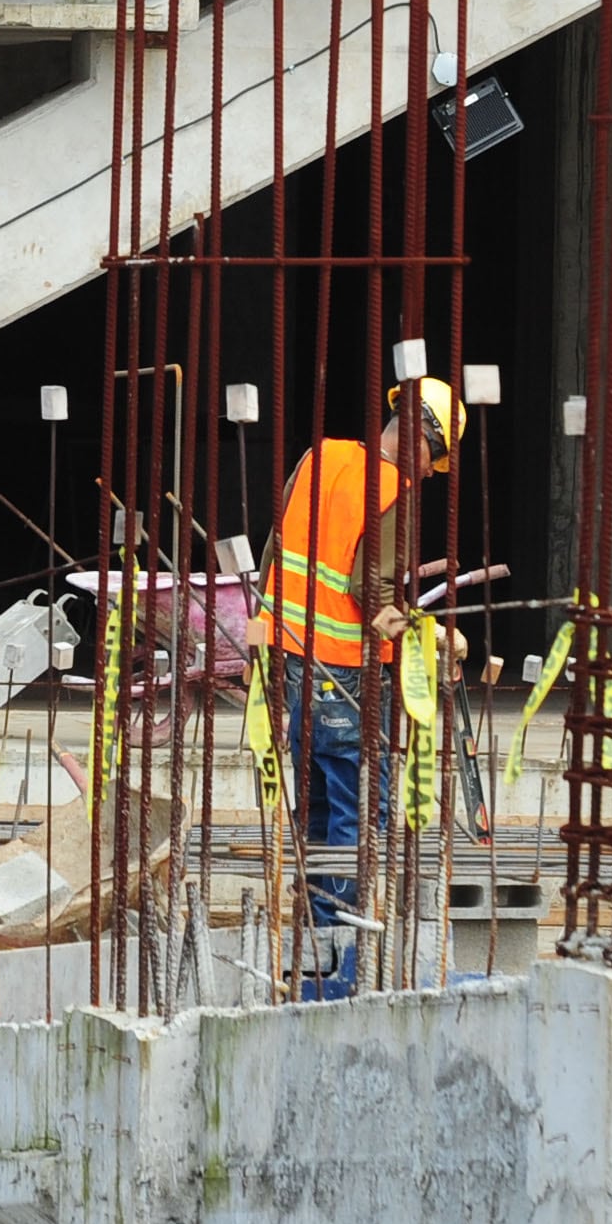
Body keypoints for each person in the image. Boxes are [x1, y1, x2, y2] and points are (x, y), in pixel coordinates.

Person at [260, 373, 465, 998]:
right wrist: (425, 640)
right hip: (343, 675)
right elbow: (368, 594)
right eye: (436, 457)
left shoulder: (317, 457)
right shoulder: (394, 492)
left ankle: (319, 955)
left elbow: (275, 552)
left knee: (317, 808)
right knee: (358, 814)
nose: (432, 473)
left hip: (284, 664)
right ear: (418, 438)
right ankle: (345, 961)